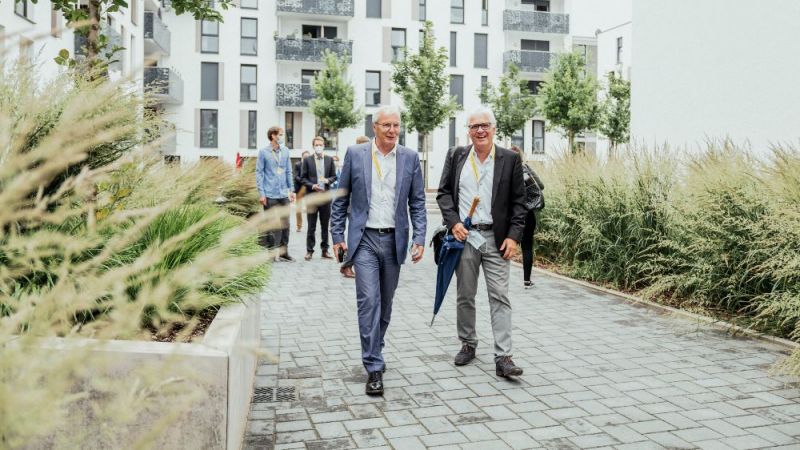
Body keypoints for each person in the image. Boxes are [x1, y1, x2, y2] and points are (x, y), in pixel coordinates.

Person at [331, 106, 427, 396]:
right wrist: (337, 235)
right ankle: (373, 366)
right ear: (375, 127)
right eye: (386, 125)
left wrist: (420, 237)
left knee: (385, 304)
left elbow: (418, 202)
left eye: (396, 125)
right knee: (369, 301)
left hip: (394, 240)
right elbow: (341, 198)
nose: (392, 131)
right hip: (365, 241)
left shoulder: (409, 158)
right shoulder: (355, 154)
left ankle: (376, 346)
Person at [436, 106, 527, 378]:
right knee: (465, 294)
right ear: (469, 131)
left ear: (494, 129)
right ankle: (468, 343)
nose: (480, 130)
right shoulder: (456, 156)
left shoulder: (510, 159)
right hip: (465, 237)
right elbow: (443, 194)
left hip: (496, 239)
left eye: (485, 125)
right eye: (474, 126)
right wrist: (453, 223)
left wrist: (513, 236)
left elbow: (519, 204)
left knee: (500, 296)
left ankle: (504, 357)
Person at [256, 126, 296, 262]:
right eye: (280, 134)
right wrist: (261, 193)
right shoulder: (263, 152)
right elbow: (259, 173)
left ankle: (284, 251)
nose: (282, 136)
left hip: (283, 194)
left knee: (286, 224)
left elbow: (288, 171)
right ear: (273, 136)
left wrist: (292, 190)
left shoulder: (285, 151)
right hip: (270, 194)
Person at [510, 145, 545, 289]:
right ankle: (526, 281)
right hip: (527, 213)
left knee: (504, 245)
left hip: (511, 214)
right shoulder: (526, 169)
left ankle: (499, 279)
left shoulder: (504, 172)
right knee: (527, 247)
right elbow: (540, 186)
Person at [339, 136, 371, 280]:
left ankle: (348, 264)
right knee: (355, 239)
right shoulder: (353, 158)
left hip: (362, 209)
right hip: (355, 208)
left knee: (359, 239)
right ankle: (347, 264)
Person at [300, 136, 337, 260]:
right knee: (311, 225)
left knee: (325, 225)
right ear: (313, 146)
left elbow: (334, 176)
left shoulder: (329, 159)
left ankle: (325, 250)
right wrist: (312, 185)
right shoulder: (307, 160)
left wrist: (328, 180)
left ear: (324, 146)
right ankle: (309, 250)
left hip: (325, 197)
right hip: (312, 197)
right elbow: (302, 178)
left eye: (321, 145)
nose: (319, 147)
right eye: (316, 145)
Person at [293, 151, 309, 232]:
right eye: (305, 156)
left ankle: (311, 225)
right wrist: (304, 181)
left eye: (308, 157)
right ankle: (299, 226)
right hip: (300, 188)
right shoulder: (298, 165)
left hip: (308, 188)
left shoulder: (311, 165)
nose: (306, 158)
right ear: (302, 157)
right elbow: (296, 176)